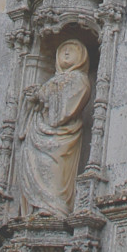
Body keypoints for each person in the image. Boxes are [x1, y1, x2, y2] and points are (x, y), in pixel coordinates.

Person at [15, 38, 92, 218]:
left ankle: (54, 208)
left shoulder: (80, 80)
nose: (67, 52)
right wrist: (32, 99)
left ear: (82, 56)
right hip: (37, 134)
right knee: (33, 162)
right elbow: (40, 107)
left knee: (54, 170)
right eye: (63, 50)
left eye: (72, 50)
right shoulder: (51, 81)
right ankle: (35, 208)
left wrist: (42, 94)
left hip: (61, 139)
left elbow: (64, 112)